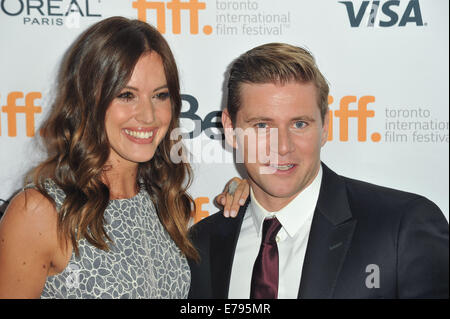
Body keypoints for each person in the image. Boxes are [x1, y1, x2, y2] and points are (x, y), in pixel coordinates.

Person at [0, 16, 245, 299]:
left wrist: (252, 195)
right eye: (126, 95)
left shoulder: (162, 203)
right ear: (89, 100)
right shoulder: (41, 212)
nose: (148, 116)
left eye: (160, 95)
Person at [188, 43, 449, 299]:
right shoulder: (203, 243)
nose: (282, 147)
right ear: (231, 129)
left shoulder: (400, 228)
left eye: (299, 124)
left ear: (324, 127)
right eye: (262, 126)